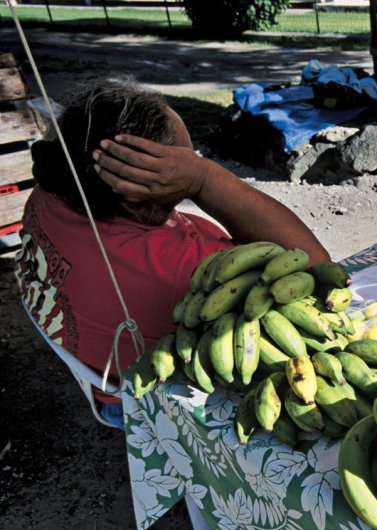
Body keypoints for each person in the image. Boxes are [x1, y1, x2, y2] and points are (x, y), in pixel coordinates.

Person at [15, 79, 330, 429]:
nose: (191, 165)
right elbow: (315, 269)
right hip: (142, 405)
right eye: (180, 163)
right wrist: (203, 180)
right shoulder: (182, 271)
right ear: (134, 187)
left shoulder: (52, 188)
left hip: (94, 372)